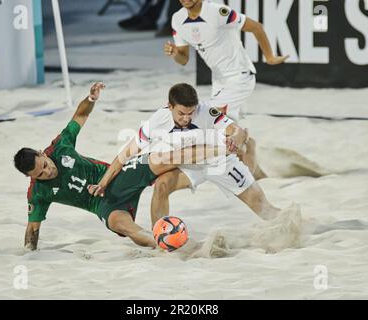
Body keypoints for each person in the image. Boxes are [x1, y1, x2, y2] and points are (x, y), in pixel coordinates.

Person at [14, 83, 233, 250]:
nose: (48, 171)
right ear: (30, 177)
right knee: (125, 227)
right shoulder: (37, 193)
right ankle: (165, 245)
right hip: (103, 206)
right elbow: (33, 229)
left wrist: (91, 98)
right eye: (40, 174)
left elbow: (80, 115)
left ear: (43, 154)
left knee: (160, 157)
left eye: (45, 164)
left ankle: (221, 149)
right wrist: (28, 255)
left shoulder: (60, 147)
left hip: (118, 178)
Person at [91, 83, 281, 227]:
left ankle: (303, 225)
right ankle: (161, 237)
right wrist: (103, 182)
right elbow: (126, 154)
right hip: (191, 166)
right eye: (181, 113)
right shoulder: (157, 120)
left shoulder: (206, 110)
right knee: (162, 186)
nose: (187, 118)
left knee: (265, 210)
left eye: (190, 113)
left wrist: (236, 140)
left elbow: (236, 130)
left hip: (220, 161)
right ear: (169, 106)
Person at [164, 0, 289, 179]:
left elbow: (256, 27)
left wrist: (269, 57)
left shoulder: (218, 12)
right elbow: (183, 59)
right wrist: (175, 53)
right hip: (220, 81)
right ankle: (259, 173)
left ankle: (248, 151)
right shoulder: (177, 19)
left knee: (210, 118)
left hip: (240, 76)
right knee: (227, 130)